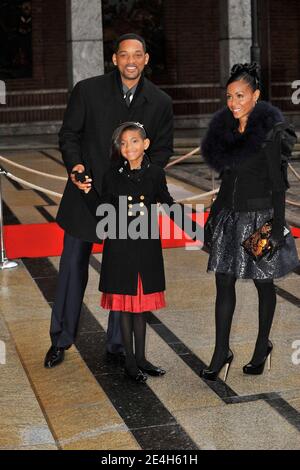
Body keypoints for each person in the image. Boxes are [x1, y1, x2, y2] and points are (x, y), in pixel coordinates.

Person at [44, 33, 173, 368]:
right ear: (114, 59)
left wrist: (145, 178)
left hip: (130, 203)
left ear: (146, 59)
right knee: (72, 268)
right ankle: (60, 340)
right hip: (85, 193)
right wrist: (75, 166)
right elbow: (69, 134)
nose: (131, 60)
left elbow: (161, 150)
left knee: (123, 273)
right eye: (124, 54)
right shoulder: (88, 90)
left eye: (138, 54)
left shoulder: (160, 102)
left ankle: (118, 345)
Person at [200, 63, 299, 381]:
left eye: (240, 95)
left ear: (255, 96)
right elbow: (226, 179)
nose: (233, 102)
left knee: (263, 282)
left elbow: (278, 184)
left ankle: (261, 347)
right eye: (229, 96)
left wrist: (277, 229)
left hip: (259, 219)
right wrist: (213, 215)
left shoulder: (270, 133)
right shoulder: (227, 132)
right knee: (223, 283)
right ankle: (220, 353)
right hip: (229, 216)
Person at [83, 121, 175, 382]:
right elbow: (103, 212)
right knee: (124, 307)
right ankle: (130, 362)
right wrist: (88, 191)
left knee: (140, 307)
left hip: (146, 247)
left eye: (134, 141)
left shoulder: (155, 173)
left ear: (145, 144)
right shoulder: (113, 176)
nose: (128, 147)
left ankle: (143, 358)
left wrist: (193, 225)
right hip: (120, 248)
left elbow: (167, 201)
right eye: (123, 143)